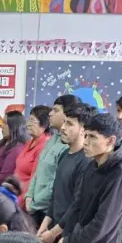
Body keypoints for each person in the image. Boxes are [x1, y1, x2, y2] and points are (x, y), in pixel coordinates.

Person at [56, 113, 122, 243]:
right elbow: (77, 205)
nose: (85, 142)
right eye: (85, 136)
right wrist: (69, 239)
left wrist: (68, 242)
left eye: (92, 137)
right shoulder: (92, 165)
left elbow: (101, 224)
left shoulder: (119, 174)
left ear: (110, 141)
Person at [37, 103, 96, 243]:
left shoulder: (85, 162)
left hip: (68, 239)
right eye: (64, 123)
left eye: (70, 124)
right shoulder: (65, 155)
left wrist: (54, 233)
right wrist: (44, 224)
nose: (63, 127)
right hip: (54, 233)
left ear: (83, 130)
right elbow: (56, 194)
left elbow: (75, 206)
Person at [25, 95, 80, 228]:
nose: (50, 113)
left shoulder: (68, 146)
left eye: (55, 110)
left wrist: (34, 204)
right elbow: (38, 172)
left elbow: (56, 183)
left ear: (67, 113)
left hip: (48, 212)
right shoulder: (53, 139)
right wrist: (29, 195)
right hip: (34, 207)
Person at [14, 105, 51, 196]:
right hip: (16, 192)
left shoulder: (44, 146)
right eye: (29, 120)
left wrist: (18, 201)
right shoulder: (29, 143)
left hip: (26, 197)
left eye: (32, 121)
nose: (28, 124)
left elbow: (35, 180)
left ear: (44, 125)